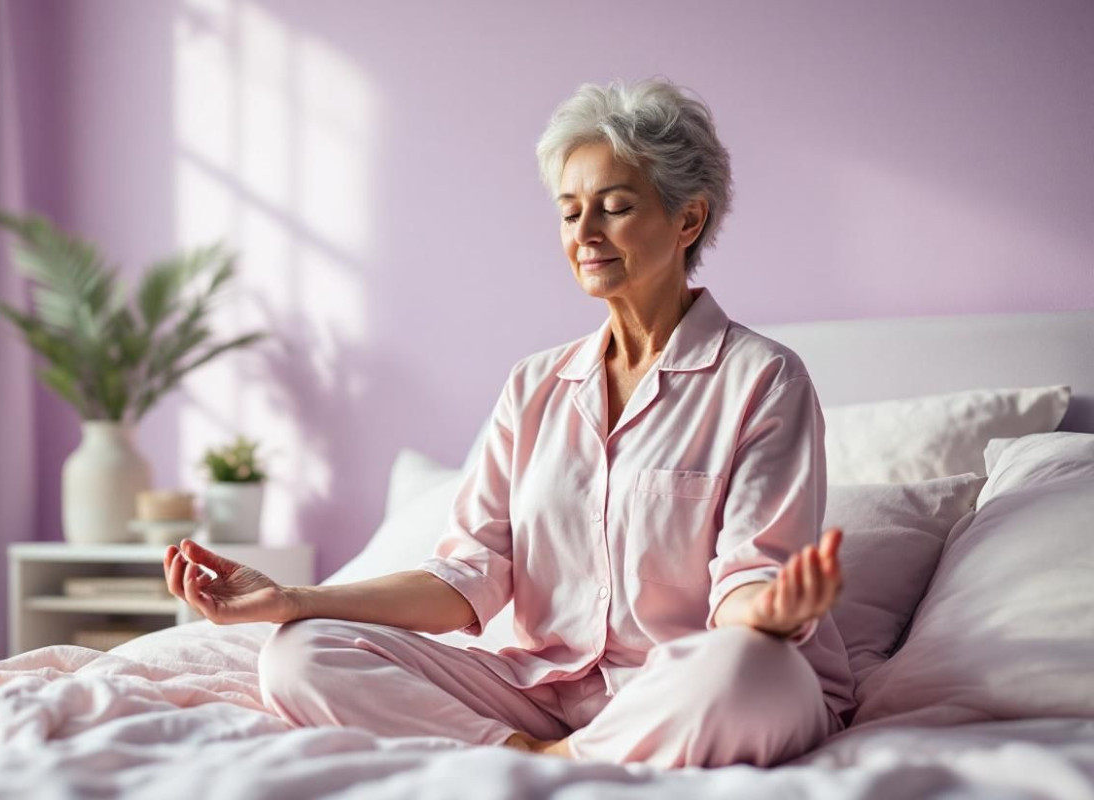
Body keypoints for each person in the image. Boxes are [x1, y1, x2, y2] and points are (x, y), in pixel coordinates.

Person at [162, 78, 853, 768]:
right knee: (299, 652)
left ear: (688, 220)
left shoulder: (763, 379)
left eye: (613, 207)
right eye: (569, 211)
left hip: (690, 682)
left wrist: (770, 613)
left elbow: (748, 581)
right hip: (538, 689)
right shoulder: (535, 386)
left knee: (748, 668)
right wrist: (290, 599)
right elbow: (466, 578)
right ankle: (530, 754)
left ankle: (557, 762)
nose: (584, 235)